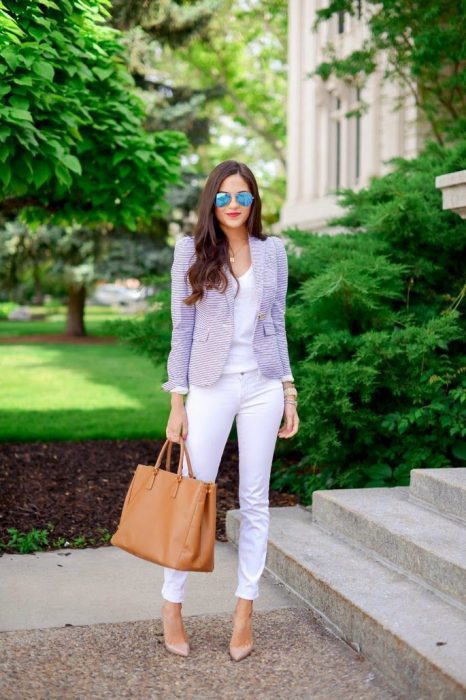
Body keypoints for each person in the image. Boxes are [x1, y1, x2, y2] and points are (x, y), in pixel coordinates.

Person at [160, 159, 299, 661]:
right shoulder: (190, 252)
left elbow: (277, 325)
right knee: (193, 496)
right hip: (210, 386)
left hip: (262, 384)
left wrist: (288, 391)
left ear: (254, 201)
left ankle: (244, 611)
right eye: (224, 196)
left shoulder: (274, 252)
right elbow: (182, 329)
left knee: (256, 501)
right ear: (211, 202)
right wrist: (177, 401)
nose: (234, 204)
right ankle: (172, 604)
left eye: (243, 196)